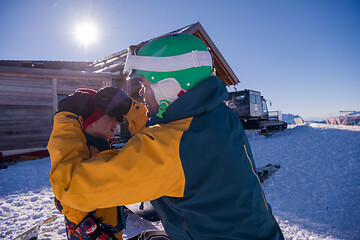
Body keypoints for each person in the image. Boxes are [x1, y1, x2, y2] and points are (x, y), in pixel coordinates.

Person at [48, 33, 284, 239]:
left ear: (169, 85)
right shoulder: (216, 115)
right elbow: (159, 138)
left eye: (144, 84)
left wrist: (67, 118)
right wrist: (131, 108)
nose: (141, 92)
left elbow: (70, 187)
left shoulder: (174, 147)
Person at [53, 88, 143, 240]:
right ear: (89, 122)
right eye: (110, 117)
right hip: (94, 234)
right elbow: (63, 197)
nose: (117, 122)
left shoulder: (104, 148)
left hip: (110, 227)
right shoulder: (81, 153)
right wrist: (92, 231)